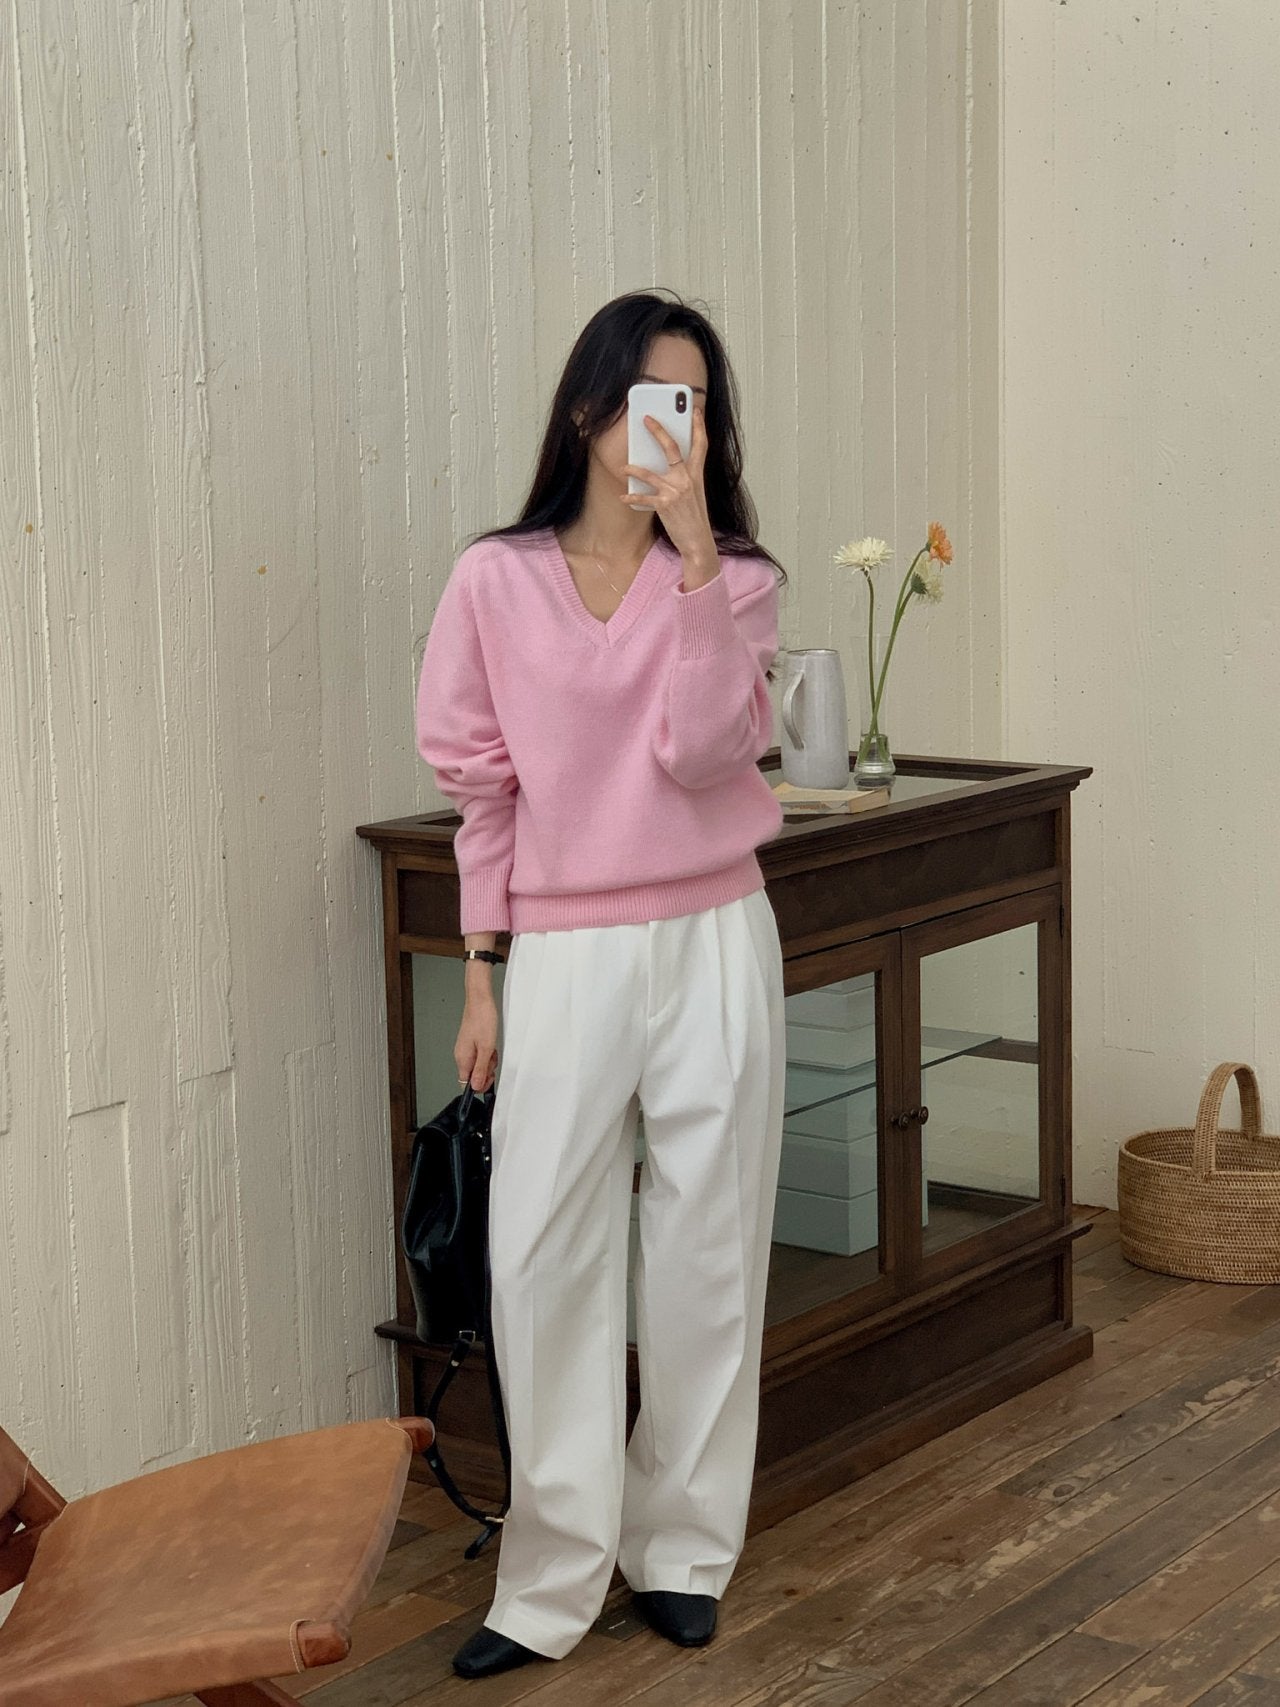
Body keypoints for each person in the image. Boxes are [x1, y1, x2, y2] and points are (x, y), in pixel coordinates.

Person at [416, 288, 789, 1680]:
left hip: (715, 935)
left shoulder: (736, 580)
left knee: (710, 1249)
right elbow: (484, 793)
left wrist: (693, 564)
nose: (671, 434)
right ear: (589, 409)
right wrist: (484, 977)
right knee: (542, 1257)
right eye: (649, 402)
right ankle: (549, 1578)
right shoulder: (493, 581)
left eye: (694, 409)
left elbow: (706, 752)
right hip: (564, 951)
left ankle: (682, 1550)